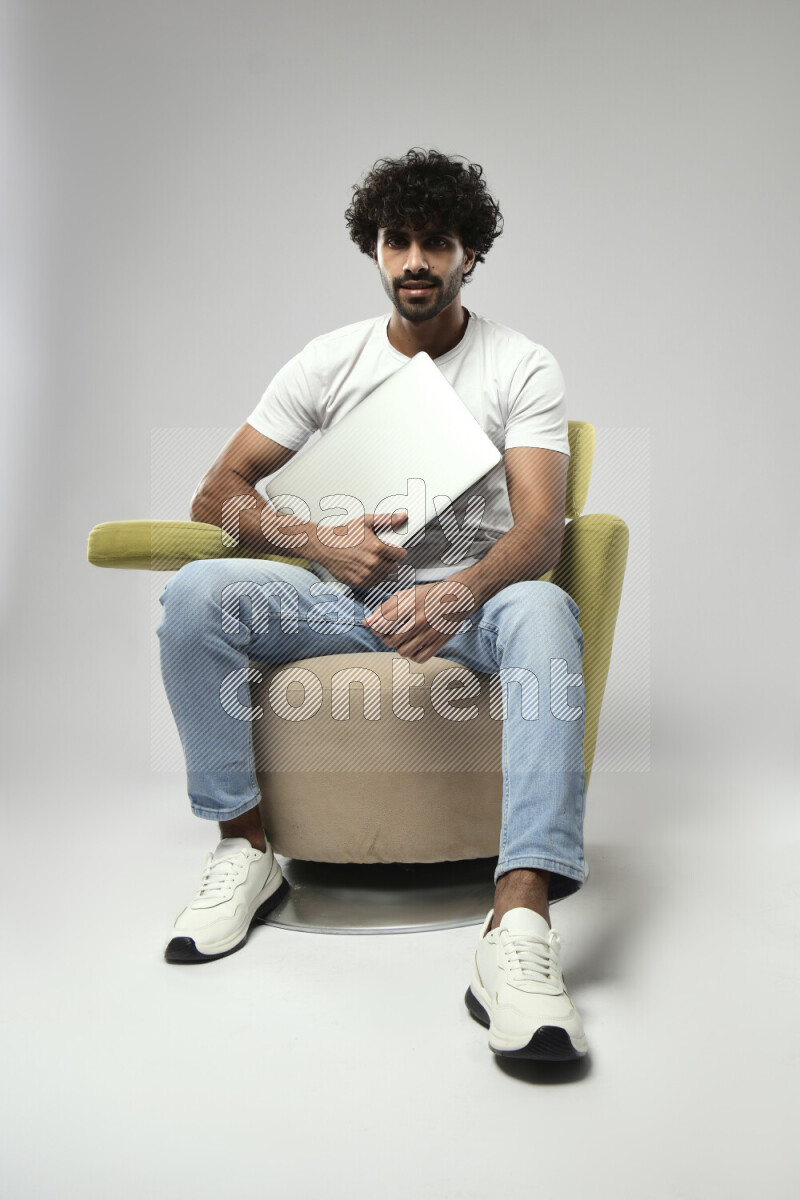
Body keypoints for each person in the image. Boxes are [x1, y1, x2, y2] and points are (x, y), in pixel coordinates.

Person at [156, 147, 589, 1062]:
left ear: (470, 252)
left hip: (474, 602)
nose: (416, 261)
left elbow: (543, 532)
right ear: (376, 250)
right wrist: (321, 542)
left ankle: (519, 922)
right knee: (197, 593)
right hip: (340, 598)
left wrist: (461, 590)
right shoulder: (329, 361)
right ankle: (244, 850)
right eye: (398, 242)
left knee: (545, 610)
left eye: (438, 241)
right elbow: (216, 495)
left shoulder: (520, 365)